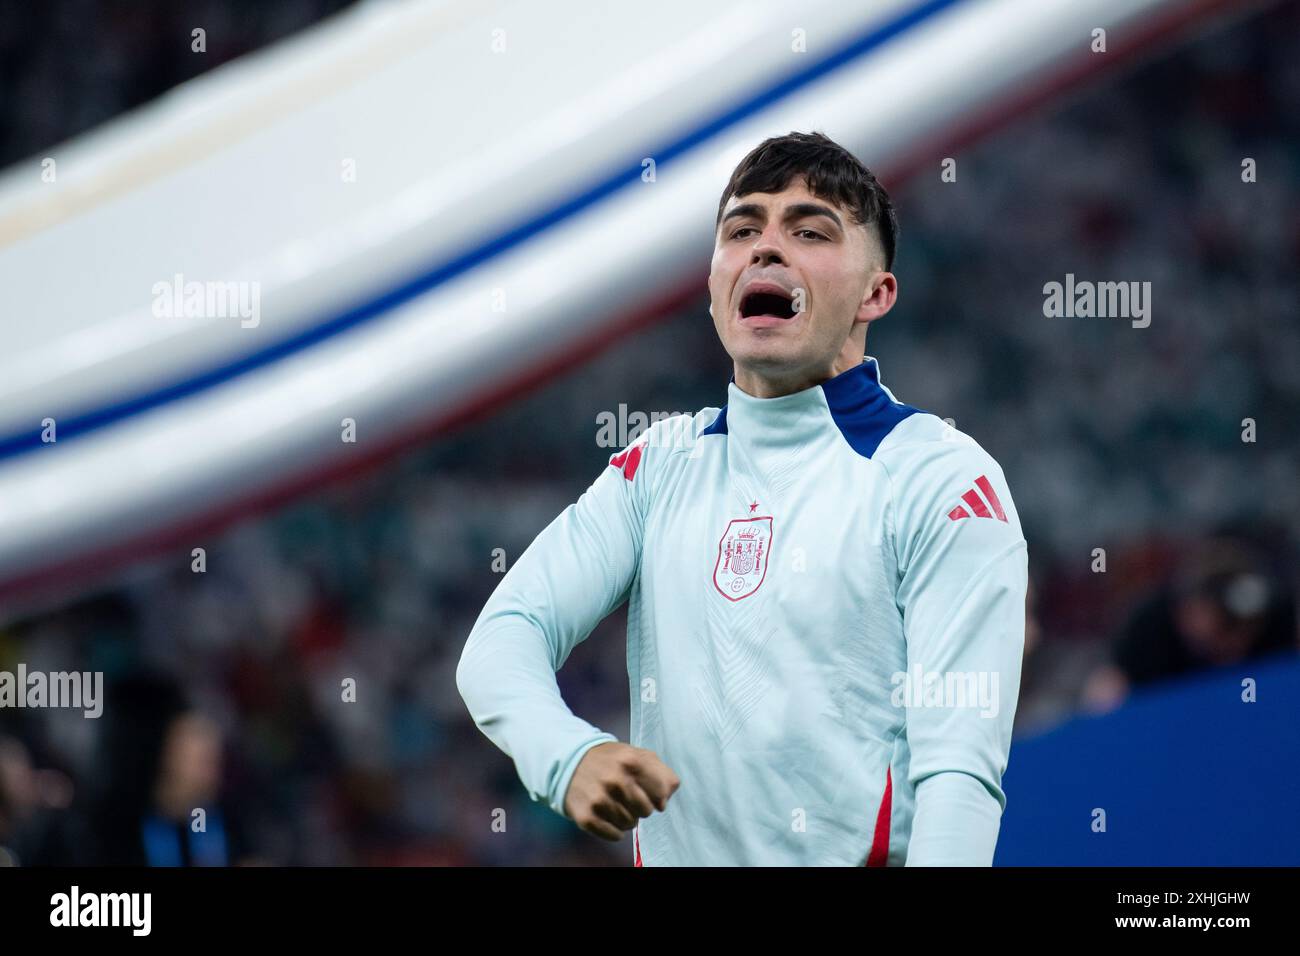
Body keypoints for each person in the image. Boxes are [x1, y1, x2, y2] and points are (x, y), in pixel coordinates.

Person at [457, 131, 1028, 865]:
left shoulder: (939, 478)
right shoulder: (657, 467)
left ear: (874, 293)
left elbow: (960, 771)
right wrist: (566, 755)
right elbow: (504, 638)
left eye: (810, 230)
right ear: (714, 285)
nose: (765, 248)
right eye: (742, 230)